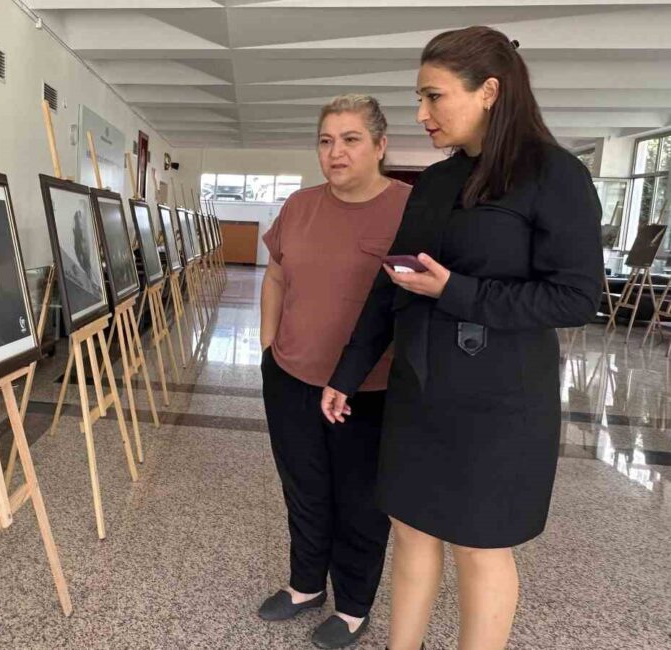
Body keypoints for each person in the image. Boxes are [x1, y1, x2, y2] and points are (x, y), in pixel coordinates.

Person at [321, 26, 602, 650]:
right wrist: (348, 370)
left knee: (480, 548)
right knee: (412, 532)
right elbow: (393, 281)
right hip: (420, 387)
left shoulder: (554, 175)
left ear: (490, 92)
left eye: (434, 96)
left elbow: (578, 296)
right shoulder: (438, 181)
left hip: (499, 399)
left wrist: (458, 292)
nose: (421, 114)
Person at [259, 95, 412, 649]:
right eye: (326, 140)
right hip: (291, 376)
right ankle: (304, 586)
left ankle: (351, 605)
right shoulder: (299, 206)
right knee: (303, 487)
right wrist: (268, 343)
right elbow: (276, 275)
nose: (335, 152)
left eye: (350, 139)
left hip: (367, 390)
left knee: (360, 501)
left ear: (379, 145)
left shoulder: (408, 209)